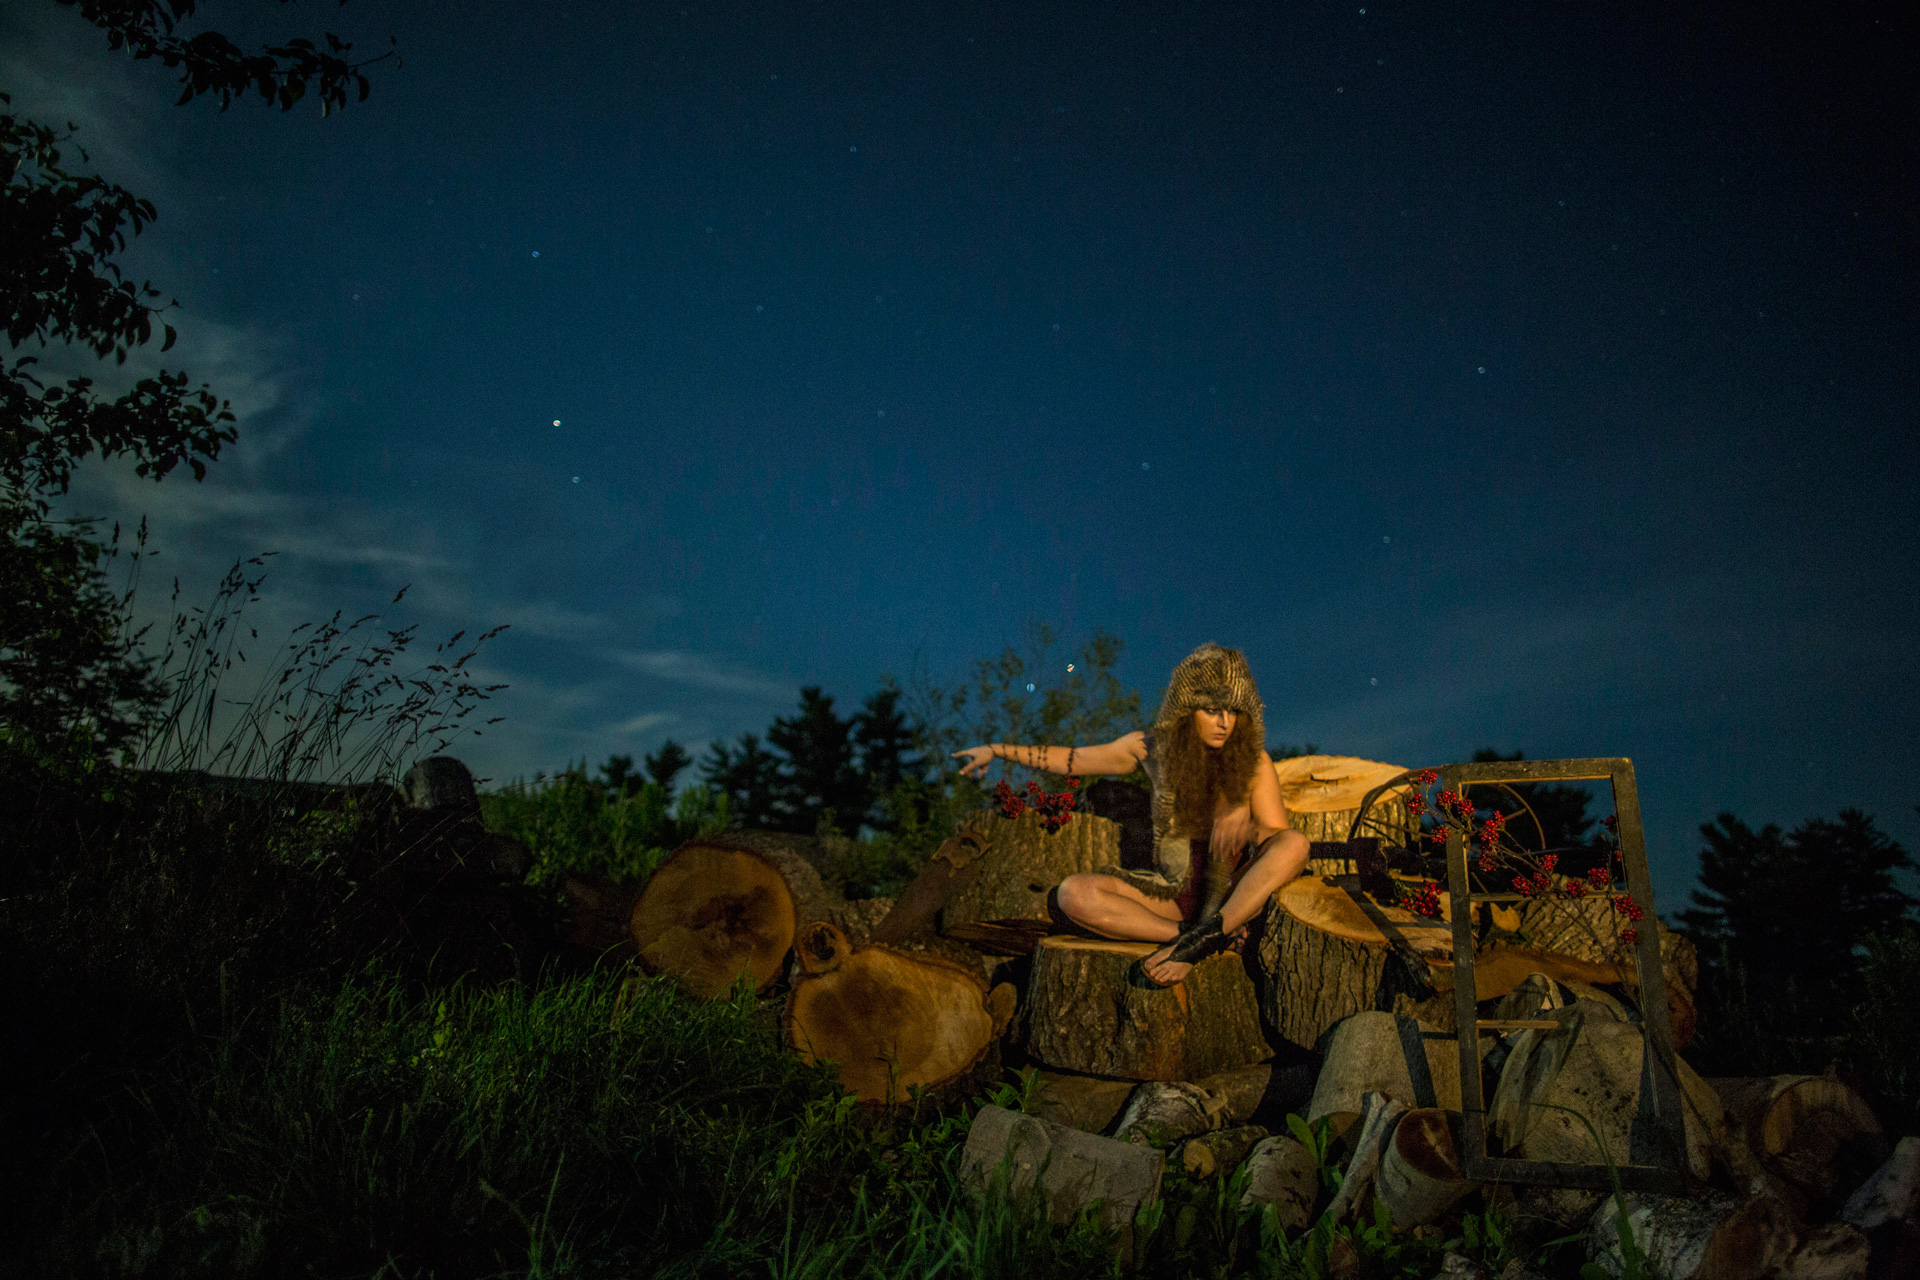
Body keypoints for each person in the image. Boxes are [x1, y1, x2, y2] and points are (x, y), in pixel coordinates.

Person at [953, 642, 1310, 987]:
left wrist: (1246, 825)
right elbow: (1073, 760)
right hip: (1174, 895)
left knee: (1295, 844)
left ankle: (1212, 934)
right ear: (1186, 708)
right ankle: (1189, 937)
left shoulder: (1254, 761)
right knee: (1073, 894)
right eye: (1211, 710)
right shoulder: (1152, 749)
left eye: (1233, 711)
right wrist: (995, 750)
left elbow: (1276, 840)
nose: (1224, 722)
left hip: (1232, 896)